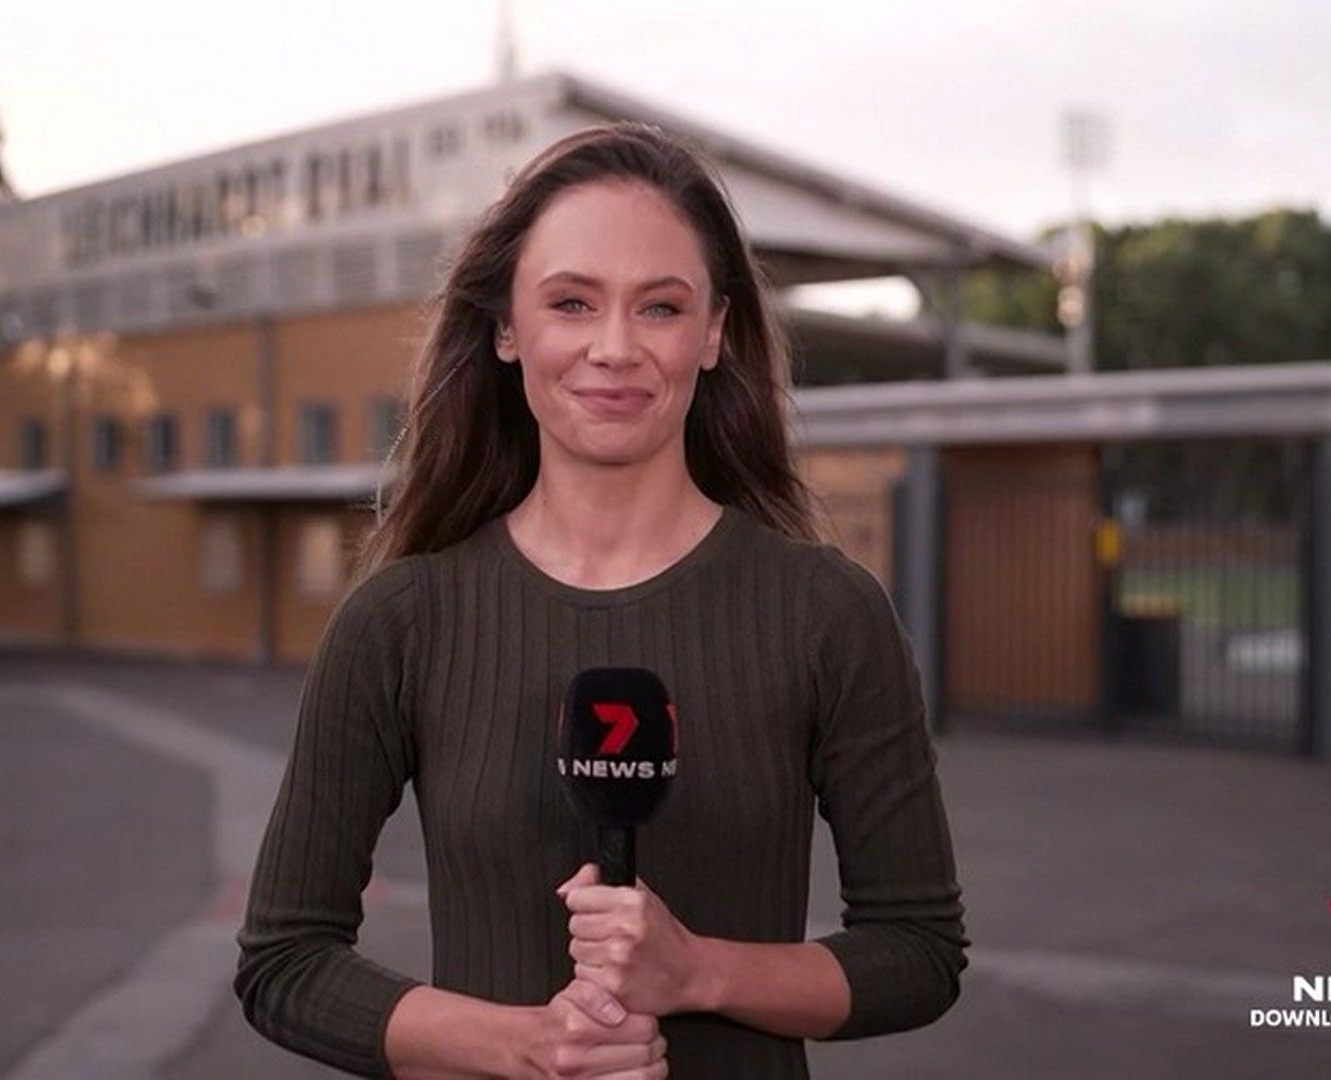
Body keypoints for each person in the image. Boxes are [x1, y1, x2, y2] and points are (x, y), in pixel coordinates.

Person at [235, 121, 967, 1079]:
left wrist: (697, 971)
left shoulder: (825, 613)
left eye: (660, 307)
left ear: (714, 333)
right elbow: (285, 962)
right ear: (507, 329)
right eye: (572, 303)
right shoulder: (401, 624)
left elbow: (918, 951)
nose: (614, 348)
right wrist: (526, 1046)